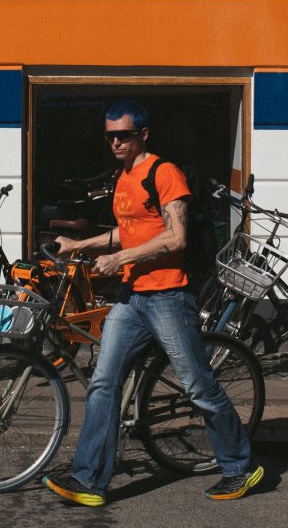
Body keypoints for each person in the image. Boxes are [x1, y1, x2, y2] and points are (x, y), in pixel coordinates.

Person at [42, 100, 263, 506]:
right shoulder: (124, 177)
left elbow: (174, 238)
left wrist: (120, 259)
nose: (114, 142)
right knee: (104, 384)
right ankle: (89, 481)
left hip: (168, 297)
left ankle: (240, 468)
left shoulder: (165, 173)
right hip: (132, 300)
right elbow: (128, 234)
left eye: (122, 135)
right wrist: (82, 245)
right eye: (109, 135)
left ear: (143, 134)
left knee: (197, 385)